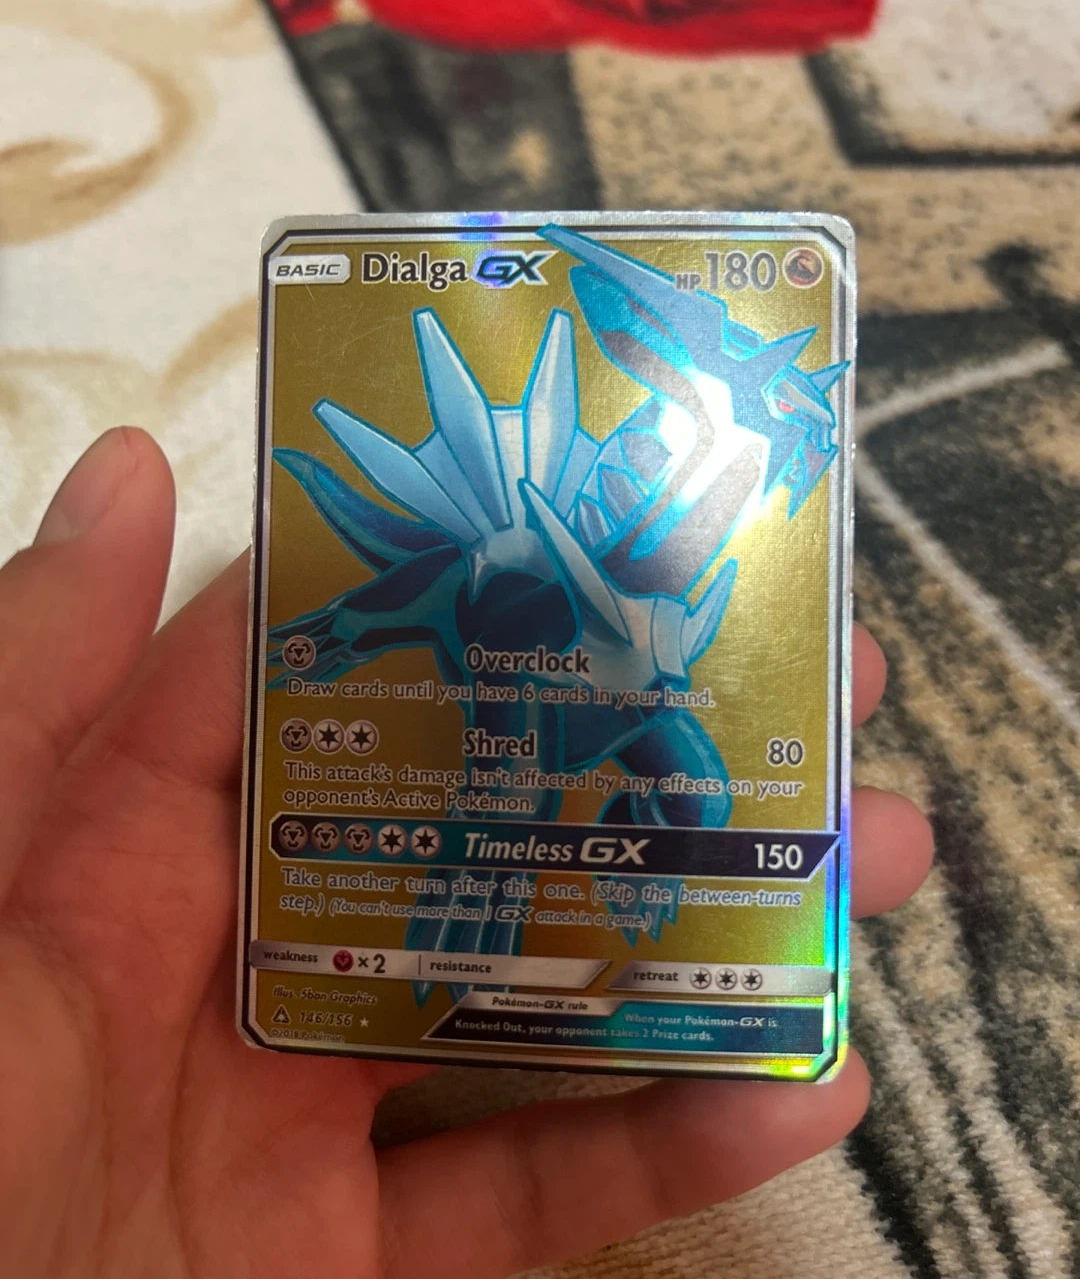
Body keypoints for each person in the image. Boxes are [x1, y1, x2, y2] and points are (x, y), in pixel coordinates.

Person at [0, 428, 934, 1279]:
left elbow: (711, 535)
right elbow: (429, 606)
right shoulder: (507, 567)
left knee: (695, 798)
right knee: (509, 813)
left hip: (621, 701)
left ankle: (582, 869)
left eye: (642, 470)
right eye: (619, 468)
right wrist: (340, 635)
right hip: (512, 691)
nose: (625, 483)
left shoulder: (659, 592)